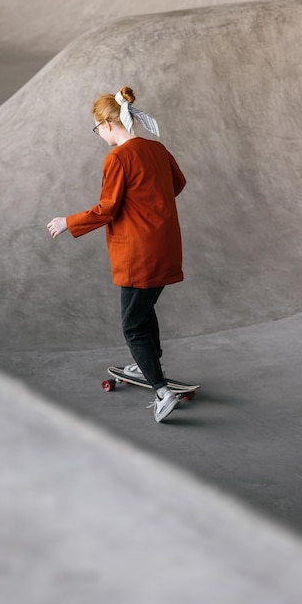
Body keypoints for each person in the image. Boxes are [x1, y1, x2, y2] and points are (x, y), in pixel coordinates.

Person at [47, 86, 186, 423]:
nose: (99, 135)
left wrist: (68, 222)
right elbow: (177, 184)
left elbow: (107, 209)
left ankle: (162, 393)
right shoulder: (157, 149)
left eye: (97, 128)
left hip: (138, 253)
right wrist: (152, 205)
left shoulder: (117, 158)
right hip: (166, 245)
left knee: (132, 326)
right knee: (145, 310)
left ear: (108, 124)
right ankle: (146, 363)